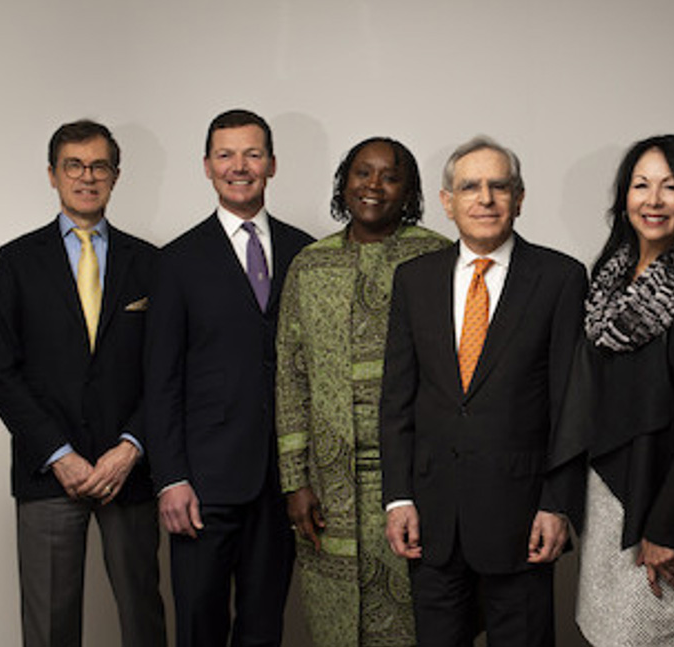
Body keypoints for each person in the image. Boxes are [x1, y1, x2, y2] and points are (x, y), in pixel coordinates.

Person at [379, 135, 587, 647]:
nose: (486, 198)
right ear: (448, 202)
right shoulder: (414, 280)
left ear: (519, 198)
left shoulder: (560, 278)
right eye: (470, 187)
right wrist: (398, 497)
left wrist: (557, 504)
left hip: (523, 522)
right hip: (432, 520)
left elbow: (571, 404)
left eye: (500, 186)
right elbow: (397, 400)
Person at [0, 120, 166, 647]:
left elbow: (165, 372)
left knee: (143, 621)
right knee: (49, 631)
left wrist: (130, 448)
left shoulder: (151, 263)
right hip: (48, 473)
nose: (87, 176)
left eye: (99, 166)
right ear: (53, 175)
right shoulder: (15, 260)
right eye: (74, 166)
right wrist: (59, 454)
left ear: (116, 175)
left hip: (127, 474)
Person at [144, 109, 314, 647]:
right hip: (203, 482)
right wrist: (171, 478)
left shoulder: (306, 253)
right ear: (207, 166)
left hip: (283, 480)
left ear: (272, 164)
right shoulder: (176, 261)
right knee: (199, 623)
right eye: (226, 155)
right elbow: (160, 379)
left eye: (252, 154)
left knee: (265, 628)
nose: (239, 166)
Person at [276, 137, 450, 646]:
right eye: (362, 173)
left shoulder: (437, 257)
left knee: (419, 625)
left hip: (417, 479)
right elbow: (291, 374)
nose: (373, 186)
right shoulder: (309, 265)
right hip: (328, 485)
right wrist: (294, 481)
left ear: (409, 190)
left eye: (389, 176)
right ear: (343, 182)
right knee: (336, 627)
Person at [551, 134, 674, 646]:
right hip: (607, 501)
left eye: (670, 187)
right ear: (624, 198)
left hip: (668, 503)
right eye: (641, 185)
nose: (653, 199)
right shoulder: (608, 278)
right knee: (605, 635)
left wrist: (667, 528)